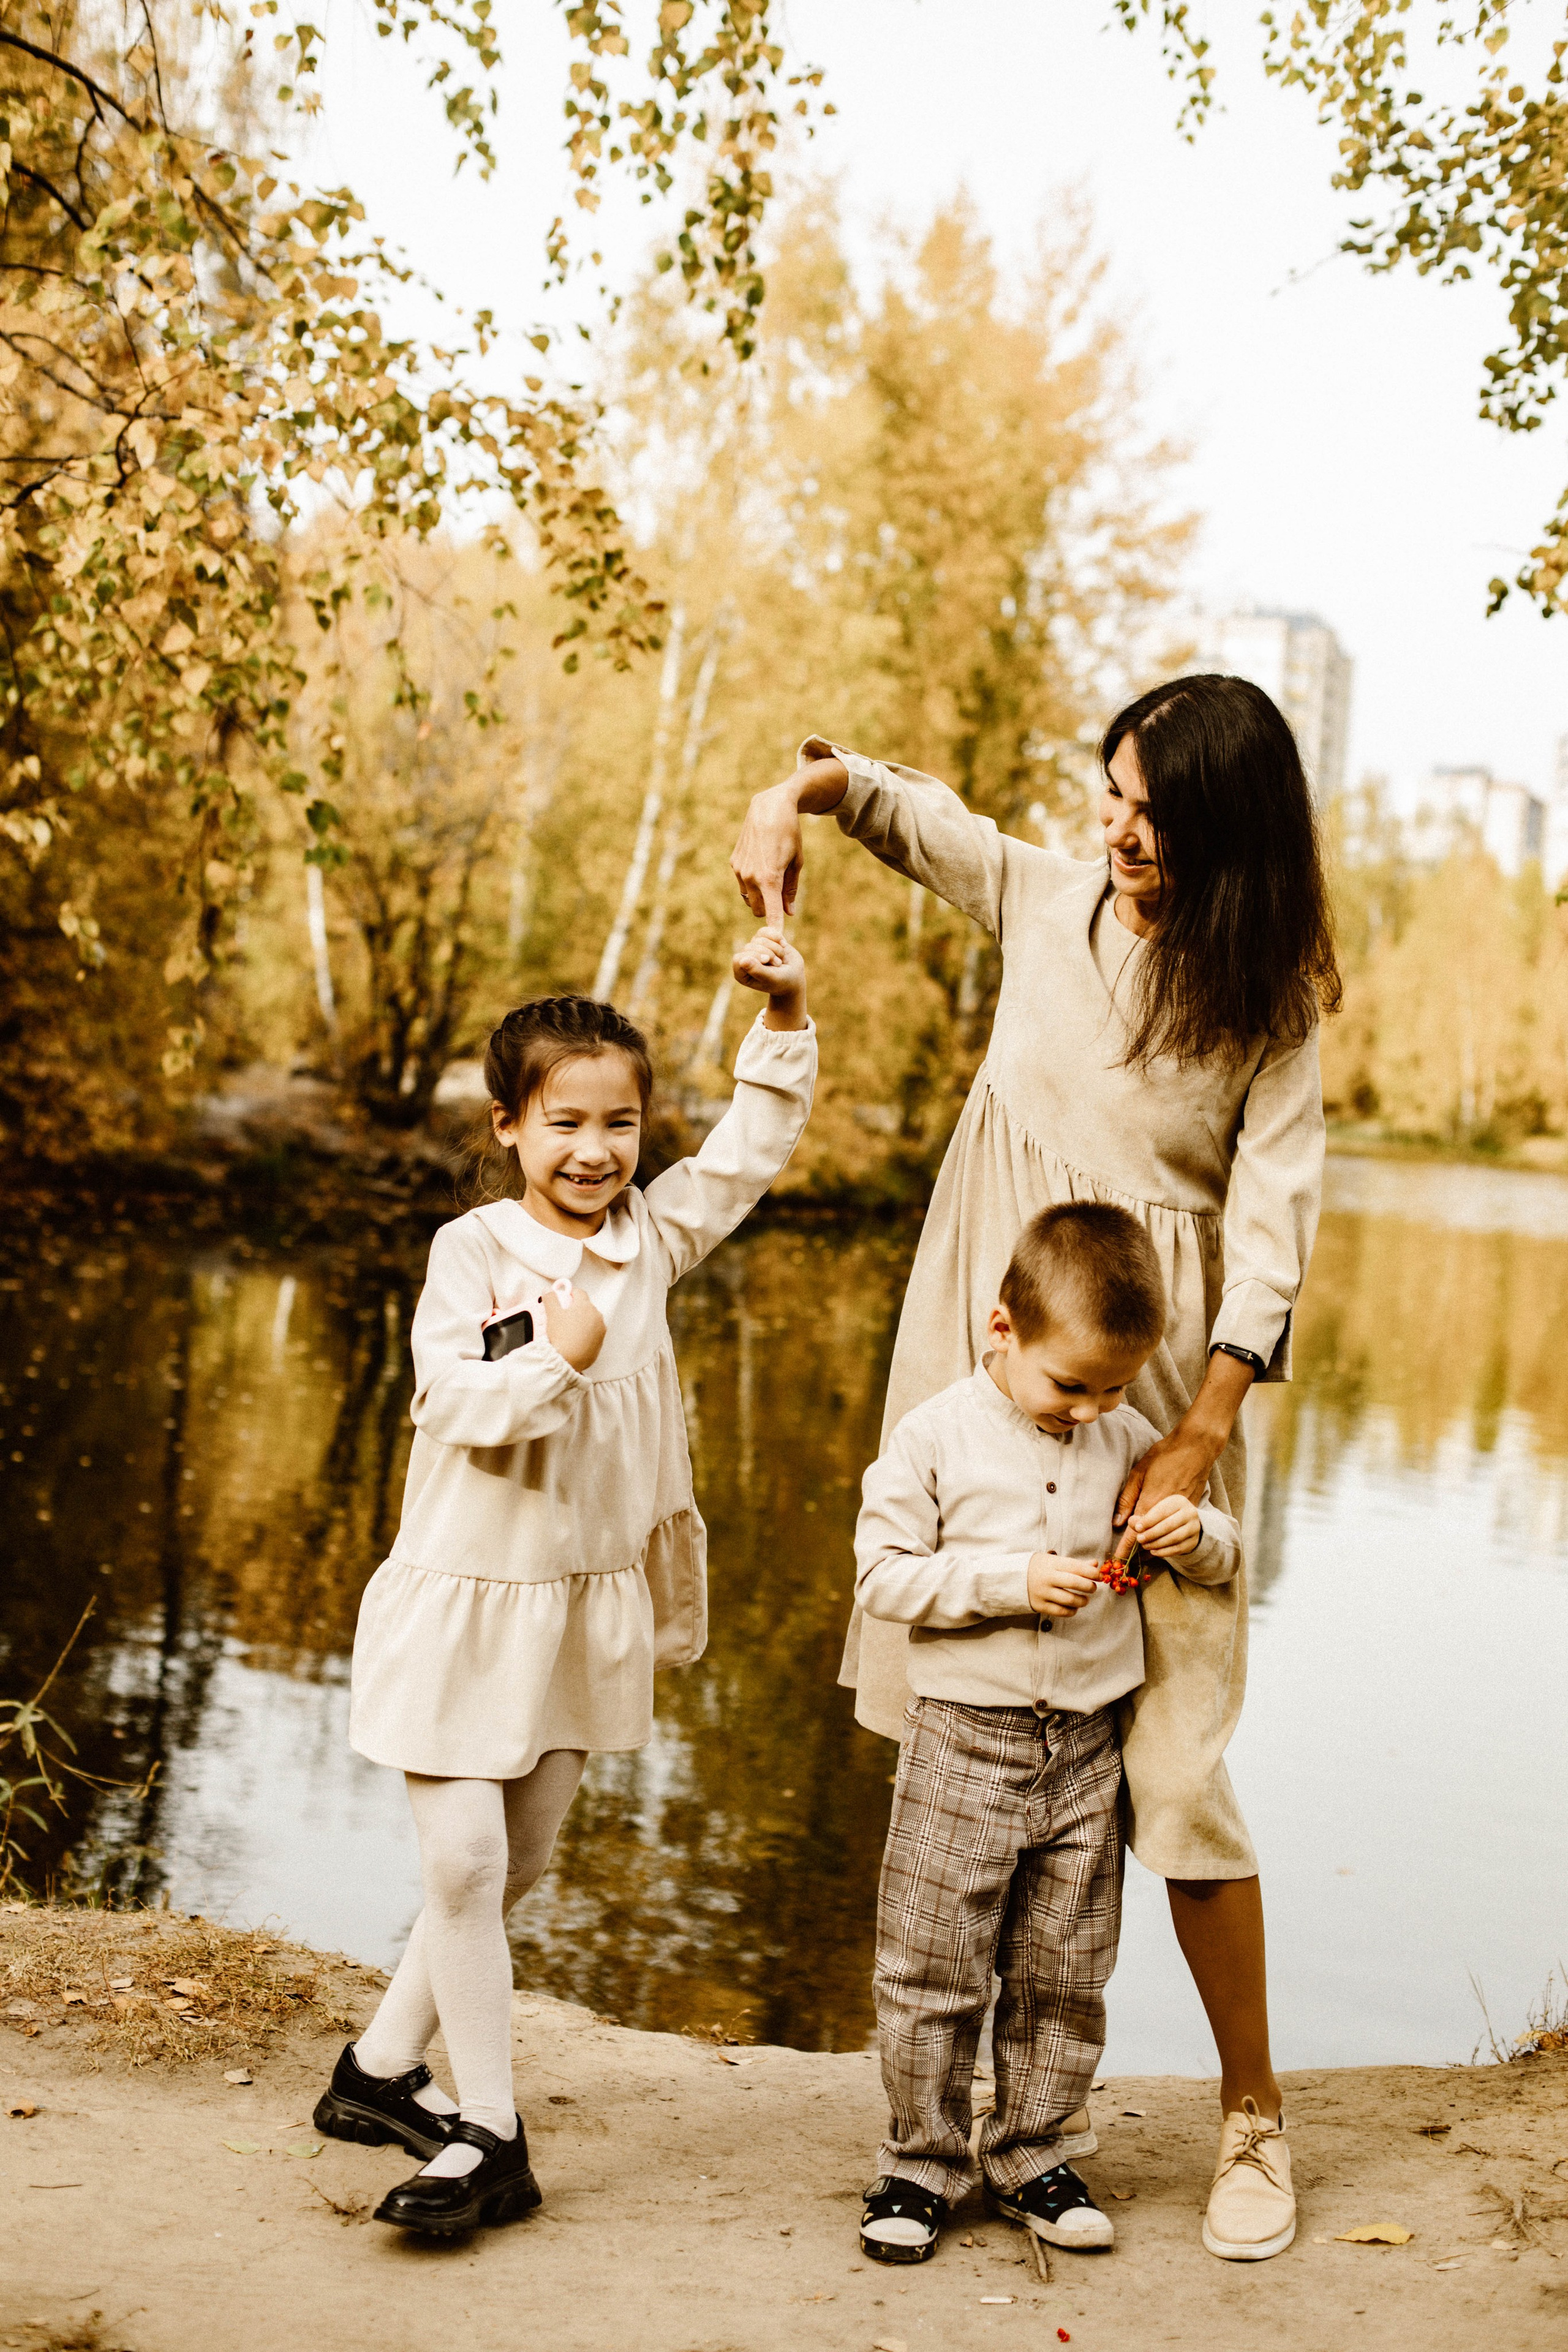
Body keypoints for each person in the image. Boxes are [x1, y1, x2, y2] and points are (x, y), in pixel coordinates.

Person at [730, 675, 1338, 2263]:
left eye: (1154, 812)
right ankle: (947, 2135)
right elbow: (898, 809)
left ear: (1231, 833)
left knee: (1177, 1772)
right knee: (968, 1724)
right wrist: (789, 801)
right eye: (1113, 795)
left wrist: (1198, 1432)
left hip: (1158, 1393)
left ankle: (1253, 2115)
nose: (1119, 831)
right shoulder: (1043, 897)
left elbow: (1272, 1244)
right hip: (984, 1350)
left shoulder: (1269, 1001)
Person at [314, 932, 816, 2236]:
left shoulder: (653, 1237)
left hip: (581, 1604)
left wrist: (783, 1013)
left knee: (515, 1863)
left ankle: (379, 2070)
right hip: (464, 1598)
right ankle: (490, 2134)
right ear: (509, 1128)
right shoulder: (470, 1250)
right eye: (565, 1124)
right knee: (467, 1862)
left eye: (619, 1124)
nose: (596, 1151)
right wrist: (561, 1353)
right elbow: (452, 1404)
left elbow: (750, 1153)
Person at [856, 1203, 1240, 2267]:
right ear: (1002, 1329)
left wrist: (1193, 1531)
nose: (1092, 1409)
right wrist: (1010, 1582)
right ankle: (921, 2161)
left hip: (1083, 1751)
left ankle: (1032, 2151)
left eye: (1115, 1388)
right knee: (932, 1965)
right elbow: (883, 1578)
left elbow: (1224, 1555)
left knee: (1064, 1968)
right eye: (1071, 1385)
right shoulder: (935, 1436)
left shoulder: (1129, 1441)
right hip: (960, 1741)